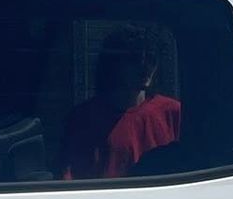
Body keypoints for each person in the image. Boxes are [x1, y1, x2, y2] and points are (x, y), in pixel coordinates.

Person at [62, 31, 182, 178]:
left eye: (151, 59)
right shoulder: (84, 119)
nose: (145, 67)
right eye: (135, 59)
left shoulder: (173, 113)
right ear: (113, 64)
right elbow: (71, 180)